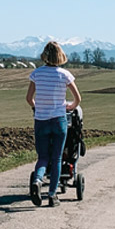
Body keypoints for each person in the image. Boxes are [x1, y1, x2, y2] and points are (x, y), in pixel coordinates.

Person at [26, 41, 81, 208]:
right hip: (59, 120)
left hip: (41, 121)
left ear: (45, 56)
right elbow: (78, 98)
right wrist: (70, 106)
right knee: (57, 158)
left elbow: (29, 98)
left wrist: (37, 107)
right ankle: (52, 195)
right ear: (60, 56)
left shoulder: (37, 73)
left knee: (43, 157)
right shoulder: (65, 74)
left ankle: (37, 180)